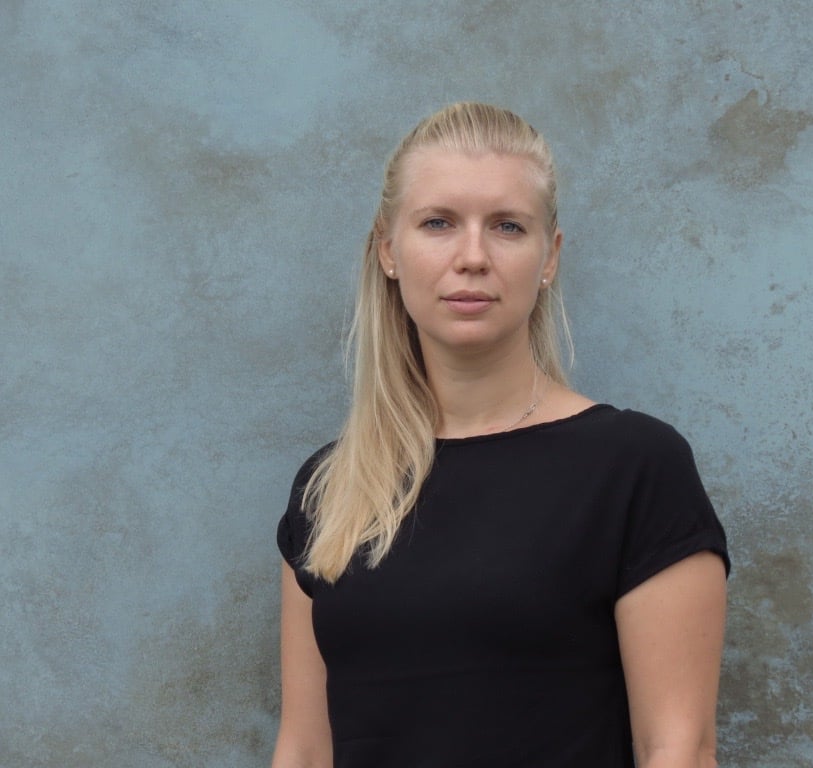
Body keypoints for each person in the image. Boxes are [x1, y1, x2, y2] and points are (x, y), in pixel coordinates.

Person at [272, 102, 729, 768]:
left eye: (508, 226)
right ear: (389, 251)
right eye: (438, 223)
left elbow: (678, 750)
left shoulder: (634, 467)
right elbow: (305, 751)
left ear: (550, 257)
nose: (473, 257)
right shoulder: (330, 487)